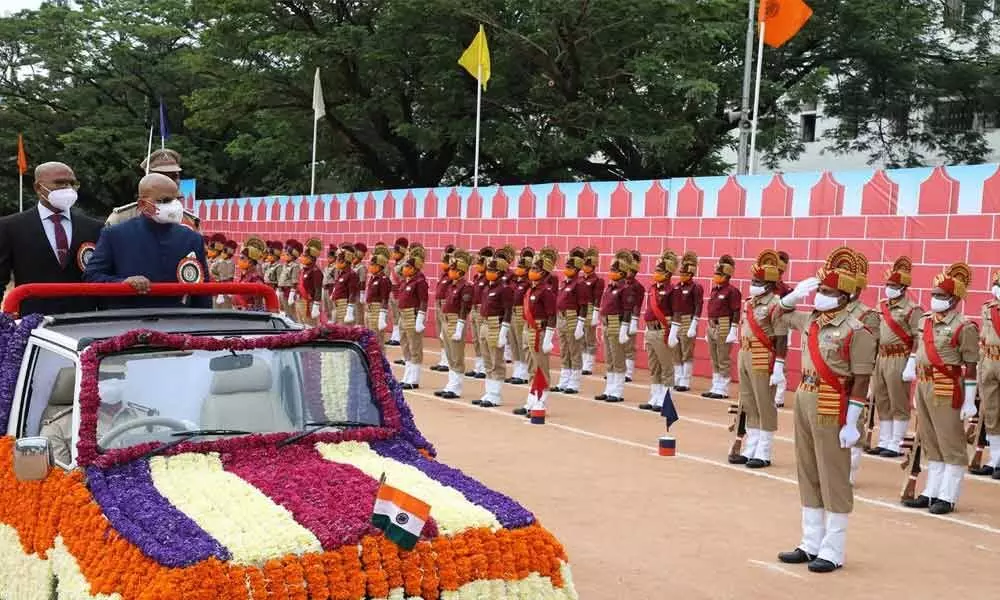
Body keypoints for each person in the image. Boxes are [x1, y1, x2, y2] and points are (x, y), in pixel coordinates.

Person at [775, 246, 877, 573]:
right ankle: (810, 542)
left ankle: (833, 548)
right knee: (807, 471)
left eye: (827, 291)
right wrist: (792, 296)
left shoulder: (858, 327)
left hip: (833, 403)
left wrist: (852, 422)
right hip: (804, 397)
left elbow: (861, 379)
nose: (820, 295)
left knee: (833, 475)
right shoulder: (813, 319)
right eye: (819, 290)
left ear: (845, 296)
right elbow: (775, 315)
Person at [900, 263, 979, 515]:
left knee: (950, 442)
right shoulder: (925, 321)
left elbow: (970, 366)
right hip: (924, 384)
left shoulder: (964, 326)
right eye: (933, 295)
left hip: (946, 386)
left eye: (941, 296)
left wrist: (969, 400)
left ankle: (948, 495)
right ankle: (931, 491)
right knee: (931, 440)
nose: (935, 299)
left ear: (954, 299)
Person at [84, 173, 210, 309]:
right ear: (142, 204)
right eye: (165, 200)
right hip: (128, 319)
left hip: (176, 320)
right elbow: (92, 276)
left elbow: (203, 289)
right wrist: (123, 282)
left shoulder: (192, 238)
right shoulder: (114, 235)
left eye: (177, 199)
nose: (174, 205)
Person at [0, 161, 104, 315]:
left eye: (72, 183)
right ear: (38, 188)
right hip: (33, 322)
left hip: (83, 318)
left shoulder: (94, 228)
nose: (67, 188)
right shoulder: (10, 226)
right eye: (60, 183)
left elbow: (101, 275)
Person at [729, 250, 788, 469]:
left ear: (769, 284)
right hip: (745, 355)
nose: (752, 284)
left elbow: (781, 338)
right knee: (749, 402)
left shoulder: (776, 305)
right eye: (753, 280)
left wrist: (779, 366)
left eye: (757, 281)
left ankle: (764, 451)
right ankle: (750, 446)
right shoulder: (750, 302)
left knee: (764, 404)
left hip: (763, 357)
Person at [866, 257, 921, 458]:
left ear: (903, 287)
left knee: (898, 400)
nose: (888, 288)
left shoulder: (912, 310)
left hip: (899, 357)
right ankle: (884, 440)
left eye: (893, 285)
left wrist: (912, 362)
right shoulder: (881, 305)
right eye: (887, 284)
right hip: (881, 357)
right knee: (881, 399)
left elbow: (917, 337)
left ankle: (896, 442)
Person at [846, 251, 881, 485]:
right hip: (831, 378)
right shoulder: (830, 311)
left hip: (855, 377)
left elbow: (871, 349)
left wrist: (867, 381)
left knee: (854, 424)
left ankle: (849, 471)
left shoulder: (867, 315)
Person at [513, 252, 557, 416]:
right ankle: (531, 401)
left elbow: (552, 316)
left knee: (541, 368)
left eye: (536, 269)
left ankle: (540, 402)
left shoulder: (546, 291)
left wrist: (548, 338)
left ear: (544, 272)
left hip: (539, 330)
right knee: (532, 367)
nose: (532, 271)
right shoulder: (531, 288)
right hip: (527, 329)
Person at [106, 149, 198, 228]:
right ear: (147, 179)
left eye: (174, 176)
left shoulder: (190, 222)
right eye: (161, 176)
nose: (169, 181)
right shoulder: (121, 218)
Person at [595, 250, 638, 403]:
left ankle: (617, 391)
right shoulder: (610, 287)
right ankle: (609, 389)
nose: (611, 272)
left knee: (618, 358)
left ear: (622, 272)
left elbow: (627, 310)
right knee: (609, 358)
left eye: (614, 270)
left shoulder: (625, 288)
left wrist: (624, 328)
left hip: (616, 323)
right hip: (606, 323)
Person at [639, 250, 678, 413]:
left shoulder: (672, 290)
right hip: (650, 330)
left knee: (666, 367)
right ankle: (655, 396)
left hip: (663, 331)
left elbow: (676, 312)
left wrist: (674, 332)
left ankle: (666, 400)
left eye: (659, 271)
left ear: (668, 273)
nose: (656, 274)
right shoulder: (653, 288)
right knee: (654, 366)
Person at [477, 254, 514, 407]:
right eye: (488, 269)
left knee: (496, 361)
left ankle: (496, 394)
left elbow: (507, 310)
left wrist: (503, 332)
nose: (489, 272)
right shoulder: (488, 286)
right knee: (487, 360)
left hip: (495, 324)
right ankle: (489, 391)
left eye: (492, 270)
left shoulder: (504, 289)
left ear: (500, 272)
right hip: (484, 324)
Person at [702, 255, 742, 399]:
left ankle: (723, 388)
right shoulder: (714, 290)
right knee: (714, 358)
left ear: (727, 275)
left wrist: (733, 330)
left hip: (724, 325)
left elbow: (736, 311)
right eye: (716, 274)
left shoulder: (732, 291)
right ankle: (715, 385)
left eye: (719, 274)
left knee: (723, 357)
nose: (716, 276)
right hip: (712, 325)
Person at [972, 271, 1000, 478]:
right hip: (990, 362)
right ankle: (996, 459)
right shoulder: (988, 308)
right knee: (991, 412)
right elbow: (983, 339)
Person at [435, 249, 473, 399]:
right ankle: (450, 384)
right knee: (450, 355)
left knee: (457, 356)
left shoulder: (466, 287)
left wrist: (459, 327)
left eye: (453, 269)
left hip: (456, 321)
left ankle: (456, 388)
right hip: (446, 320)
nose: (450, 271)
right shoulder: (451, 285)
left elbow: (464, 308)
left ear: (461, 271)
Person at [552, 248, 591, 395]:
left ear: (576, 269)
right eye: (566, 266)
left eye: (570, 267)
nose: (566, 269)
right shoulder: (565, 283)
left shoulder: (580, 284)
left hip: (572, 319)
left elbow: (583, 305)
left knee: (574, 351)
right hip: (561, 318)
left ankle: (574, 382)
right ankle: (564, 380)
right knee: (564, 351)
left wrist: (580, 324)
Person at [668, 251, 703, 392]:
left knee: (686, 351)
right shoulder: (677, 286)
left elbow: (698, 306)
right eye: (680, 273)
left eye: (684, 273)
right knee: (675, 350)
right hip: (676, 321)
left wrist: (694, 324)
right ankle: (677, 376)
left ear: (691, 274)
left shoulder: (695, 287)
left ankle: (685, 380)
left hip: (688, 320)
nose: (681, 275)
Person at [397, 244, 429, 390]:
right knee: (405, 346)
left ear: (415, 268)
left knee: (414, 346)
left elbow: (423, 301)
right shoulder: (406, 280)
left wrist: (420, 319)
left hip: (413, 315)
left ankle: (414, 378)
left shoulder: (420, 281)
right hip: (403, 315)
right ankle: (407, 374)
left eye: (407, 266)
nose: (404, 269)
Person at [505, 249, 534, 385]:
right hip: (512, 312)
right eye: (518, 266)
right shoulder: (515, 281)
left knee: (522, 342)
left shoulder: (528, 283)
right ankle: (517, 370)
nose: (519, 269)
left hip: (522, 313)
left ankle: (524, 372)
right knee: (513, 342)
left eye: (522, 267)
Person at [466, 246, 494, 379]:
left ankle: (485, 367)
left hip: (482, 310)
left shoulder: (489, 279)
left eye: (480, 263)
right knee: (476, 340)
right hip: (474, 309)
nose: (477, 265)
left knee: (484, 340)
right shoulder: (477, 277)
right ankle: (478, 365)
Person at [431, 245, 457, 373]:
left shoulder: (452, 277)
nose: (443, 264)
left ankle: (448, 360)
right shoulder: (443, 275)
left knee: (446, 333)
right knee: (440, 332)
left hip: (446, 304)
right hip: (438, 303)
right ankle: (443, 359)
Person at [773, 251, 793, 408]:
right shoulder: (765, 287)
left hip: (780, 330)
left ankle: (779, 396)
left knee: (779, 363)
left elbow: (790, 314)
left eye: (780, 271)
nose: (778, 273)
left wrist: (789, 335)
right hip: (766, 330)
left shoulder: (785, 290)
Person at [364, 243, 393, 350]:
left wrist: (382, 316)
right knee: (369, 336)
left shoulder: (384, 280)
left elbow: (385, 299)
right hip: (369, 309)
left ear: (379, 266)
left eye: (372, 264)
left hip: (377, 310)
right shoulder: (373, 278)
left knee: (377, 338)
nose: (370, 266)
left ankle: (379, 361)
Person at [581, 247, 604, 376]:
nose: (586, 266)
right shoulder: (581, 279)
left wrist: (595, 312)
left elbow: (597, 297)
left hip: (590, 309)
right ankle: (583, 361)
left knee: (589, 338)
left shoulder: (597, 280)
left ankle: (588, 365)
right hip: (580, 310)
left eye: (588, 265)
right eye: (584, 264)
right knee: (581, 338)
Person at [623, 250, 645, 382]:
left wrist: (635, 321)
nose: (628, 273)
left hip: (630, 317)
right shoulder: (620, 283)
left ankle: (628, 372)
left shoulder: (638, 287)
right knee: (617, 346)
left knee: (629, 346)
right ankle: (618, 370)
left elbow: (637, 305)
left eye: (631, 270)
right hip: (618, 317)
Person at [231, 238, 267, 311]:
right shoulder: (245, 276)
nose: (239, 261)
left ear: (250, 262)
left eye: (242, 258)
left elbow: (258, 305)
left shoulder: (256, 279)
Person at [328, 244, 360, 325]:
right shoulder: (341, 273)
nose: (336, 262)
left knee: (345, 330)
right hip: (337, 305)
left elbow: (352, 293)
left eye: (339, 260)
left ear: (345, 261)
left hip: (345, 307)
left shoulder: (352, 274)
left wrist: (349, 311)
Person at [295, 239, 324, 326]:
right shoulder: (304, 269)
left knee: (310, 326)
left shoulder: (316, 271)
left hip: (309, 303)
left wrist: (316, 305)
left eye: (304, 256)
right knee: (300, 325)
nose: (301, 258)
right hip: (300, 300)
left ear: (311, 258)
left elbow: (318, 289)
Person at [387, 237, 409, 347]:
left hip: (399, 292)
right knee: (394, 315)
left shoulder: (404, 264)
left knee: (400, 315)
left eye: (396, 252)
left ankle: (399, 337)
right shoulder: (397, 263)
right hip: (393, 291)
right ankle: (395, 336)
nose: (393, 254)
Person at [277, 240, 303, 317]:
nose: (285, 256)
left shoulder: (295, 266)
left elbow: (295, 281)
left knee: (290, 312)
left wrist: (292, 294)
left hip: (288, 291)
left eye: (287, 254)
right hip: (282, 291)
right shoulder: (284, 265)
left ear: (293, 256)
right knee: (283, 312)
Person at [211, 240, 237, 308]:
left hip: (224, 288)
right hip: (217, 287)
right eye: (222, 252)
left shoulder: (230, 263)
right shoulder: (220, 261)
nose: (222, 254)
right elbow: (213, 270)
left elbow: (227, 277)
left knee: (224, 306)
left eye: (224, 252)